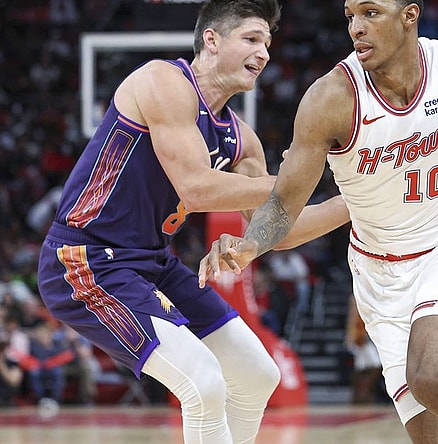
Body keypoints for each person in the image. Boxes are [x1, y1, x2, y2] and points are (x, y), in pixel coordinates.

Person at [199, 1, 438, 442]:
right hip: (378, 272)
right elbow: (283, 204)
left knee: (434, 379)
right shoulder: (331, 98)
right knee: (431, 432)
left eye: (370, 13)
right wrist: (248, 245)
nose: (356, 28)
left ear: (409, 15)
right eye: (350, 15)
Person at [36, 1, 347, 442]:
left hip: (153, 264)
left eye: (268, 44)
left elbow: (279, 230)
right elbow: (196, 189)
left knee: (258, 374)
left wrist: (354, 201)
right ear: (212, 39)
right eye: (252, 39)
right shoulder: (162, 81)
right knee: (202, 382)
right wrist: (296, 179)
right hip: (85, 259)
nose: (264, 54)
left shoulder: (243, 139)